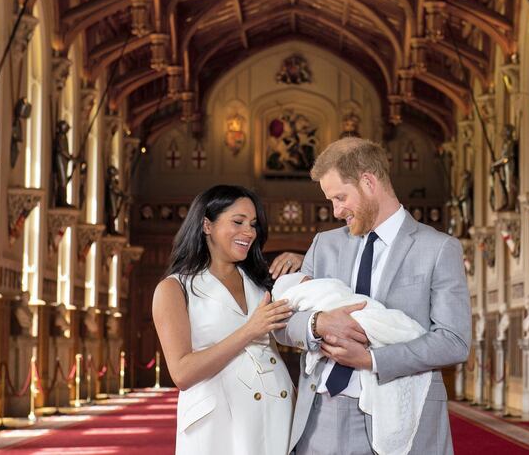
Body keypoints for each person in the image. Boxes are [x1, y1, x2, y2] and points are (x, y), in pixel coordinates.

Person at [274, 137, 471, 455]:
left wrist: (372, 359)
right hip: (318, 416)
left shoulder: (438, 248)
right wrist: (317, 323)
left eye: (340, 197)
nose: (336, 211)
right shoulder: (324, 244)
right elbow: (283, 323)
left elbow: (453, 341)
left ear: (368, 182)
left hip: (397, 414)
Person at [152, 185, 294, 454]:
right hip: (219, 427)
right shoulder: (174, 288)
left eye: (253, 224)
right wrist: (250, 330)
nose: (249, 232)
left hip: (276, 413)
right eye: (238, 222)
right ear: (207, 225)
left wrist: (304, 262)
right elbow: (182, 373)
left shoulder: (261, 283)